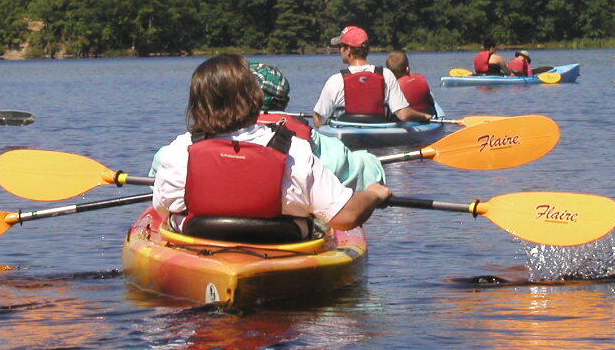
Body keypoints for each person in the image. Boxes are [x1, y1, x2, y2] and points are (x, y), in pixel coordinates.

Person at [152, 54, 391, 233]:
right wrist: (372, 194)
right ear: (254, 98)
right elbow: (347, 217)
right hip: (279, 250)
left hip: (202, 250)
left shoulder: (178, 152)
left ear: (196, 105)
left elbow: (162, 210)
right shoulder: (293, 150)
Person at [249, 61, 386, 190]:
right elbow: (369, 174)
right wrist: (370, 161)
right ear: (285, 102)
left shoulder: (230, 134)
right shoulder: (310, 140)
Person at [313, 26, 432, 126]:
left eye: (340, 47)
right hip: (381, 138)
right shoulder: (387, 75)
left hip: (347, 139)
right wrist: (424, 116)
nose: (339, 51)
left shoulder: (335, 81)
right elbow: (404, 114)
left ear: (348, 50)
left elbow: (319, 118)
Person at [385, 51, 436, 116]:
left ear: (389, 72)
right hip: (428, 116)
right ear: (408, 69)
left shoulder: (392, 87)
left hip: (404, 120)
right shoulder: (420, 78)